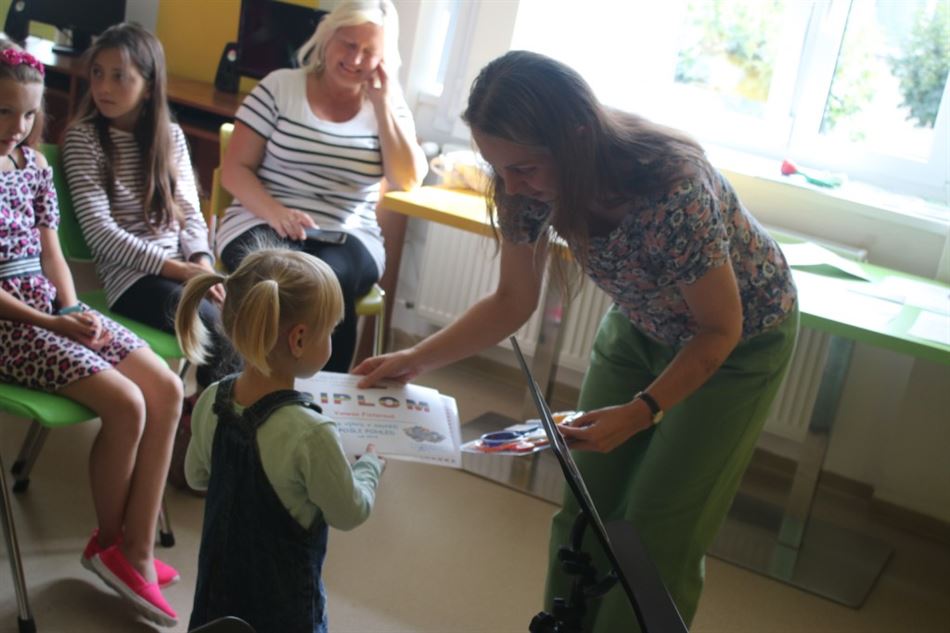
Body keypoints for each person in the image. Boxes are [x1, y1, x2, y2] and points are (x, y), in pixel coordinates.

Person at [355, 51, 799, 631]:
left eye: (525, 168)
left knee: (659, 530)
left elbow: (720, 329)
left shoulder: (673, 190)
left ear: (578, 137)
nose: (512, 186)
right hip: (642, 325)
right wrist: (416, 358)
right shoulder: (520, 182)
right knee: (585, 506)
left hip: (738, 343)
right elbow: (512, 301)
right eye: (499, 168)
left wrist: (642, 411)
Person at [0, 39, 181, 627]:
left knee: (166, 389)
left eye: (29, 114)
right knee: (127, 404)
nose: (17, 126)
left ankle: (137, 548)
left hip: (51, 306)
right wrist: (51, 322)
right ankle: (110, 546)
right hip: (11, 325)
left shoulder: (33, 166)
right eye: (4, 111)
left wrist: (74, 309)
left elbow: (51, 251)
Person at [176, 247, 385, 633]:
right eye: (331, 331)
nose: (332, 338)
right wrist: (370, 466)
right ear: (299, 339)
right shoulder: (312, 433)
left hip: (217, 607)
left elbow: (196, 476)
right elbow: (349, 512)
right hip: (286, 614)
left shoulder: (211, 400)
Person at [217, 0, 427, 373]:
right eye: (349, 44)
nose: (356, 59)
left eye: (369, 51)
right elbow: (235, 171)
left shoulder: (389, 106)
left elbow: (407, 179)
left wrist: (382, 106)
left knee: (326, 282)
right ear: (328, 37)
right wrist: (277, 213)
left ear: (383, 58)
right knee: (269, 276)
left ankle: (320, 394)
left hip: (348, 233)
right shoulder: (280, 87)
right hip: (263, 216)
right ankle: (234, 384)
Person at [62, 23, 237, 399]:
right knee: (219, 330)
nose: (103, 87)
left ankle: (209, 413)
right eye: (98, 73)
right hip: (131, 280)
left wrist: (202, 265)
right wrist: (183, 272)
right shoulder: (83, 139)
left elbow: (190, 213)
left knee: (243, 315)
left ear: (148, 85)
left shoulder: (170, 136)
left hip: (182, 270)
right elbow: (101, 235)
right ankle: (214, 421)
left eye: (119, 76)